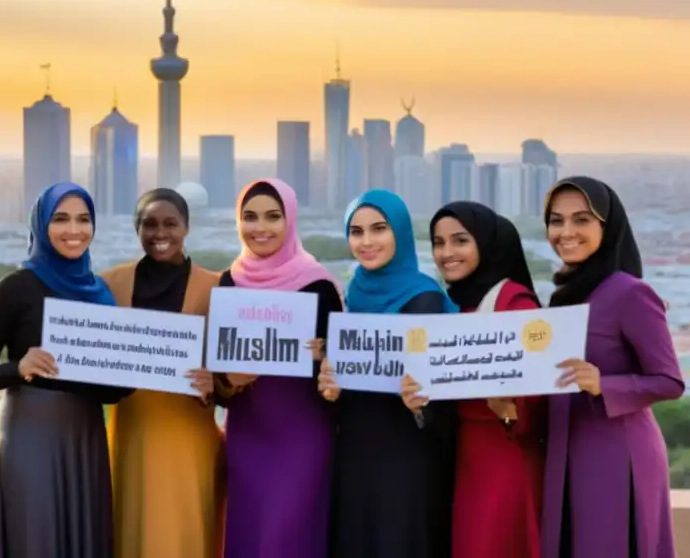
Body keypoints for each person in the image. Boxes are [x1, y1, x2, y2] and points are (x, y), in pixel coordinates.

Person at [0, 182, 130, 558]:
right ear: (41, 226)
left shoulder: (100, 293)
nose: (74, 230)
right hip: (28, 434)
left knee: (82, 536)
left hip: (84, 435)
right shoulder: (14, 288)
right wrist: (19, 367)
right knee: (34, 535)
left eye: (83, 219)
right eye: (61, 219)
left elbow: (104, 389)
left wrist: (130, 376)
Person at [540, 176, 684, 558]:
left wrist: (604, 383)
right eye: (556, 220)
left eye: (582, 220)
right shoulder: (564, 296)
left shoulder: (629, 292)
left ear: (608, 225)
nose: (566, 232)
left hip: (616, 456)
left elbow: (669, 380)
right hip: (565, 450)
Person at [318, 189, 456, 558]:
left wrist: (421, 404)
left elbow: (446, 402)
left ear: (400, 232)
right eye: (356, 231)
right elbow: (354, 388)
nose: (366, 241)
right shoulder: (353, 293)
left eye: (379, 229)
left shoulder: (425, 299)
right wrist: (332, 390)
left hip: (404, 456)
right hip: (355, 452)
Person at [211, 178, 342, 558]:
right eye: (249, 217)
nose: (260, 228)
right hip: (247, 437)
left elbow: (342, 376)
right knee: (249, 540)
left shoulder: (319, 286)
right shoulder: (229, 283)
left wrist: (325, 363)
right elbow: (219, 383)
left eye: (273, 216)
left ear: (291, 221)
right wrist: (229, 383)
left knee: (286, 541)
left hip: (303, 438)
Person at [100, 188, 225, 558]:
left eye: (171, 223)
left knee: (187, 535)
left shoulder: (217, 287)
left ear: (186, 227)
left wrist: (214, 384)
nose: (160, 233)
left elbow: (232, 372)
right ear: (136, 229)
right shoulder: (110, 285)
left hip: (189, 434)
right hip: (131, 431)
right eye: (149, 224)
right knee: (132, 533)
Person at [428, 201, 545, 558]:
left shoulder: (516, 306)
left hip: (504, 458)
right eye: (438, 242)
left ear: (486, 243)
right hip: (467, 456)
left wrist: (508, 410)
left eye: (460, 241)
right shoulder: (456, 305)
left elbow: (542, 401)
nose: (447, 253)